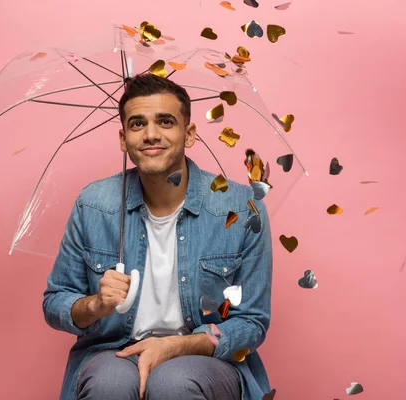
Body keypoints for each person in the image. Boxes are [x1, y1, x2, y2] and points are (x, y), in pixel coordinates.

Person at [42, 73, 273, 400]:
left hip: (200, 356)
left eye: (165, 122)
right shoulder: (94, 205)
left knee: (173, 383)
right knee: (109, 384)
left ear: (189, 133)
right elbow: (55, 302)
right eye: (137, 124)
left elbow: (251, 322)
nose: (151, 135)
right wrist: (95, 304)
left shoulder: (241, 209)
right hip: (114, 351)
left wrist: (176, 346)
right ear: (123, 139)